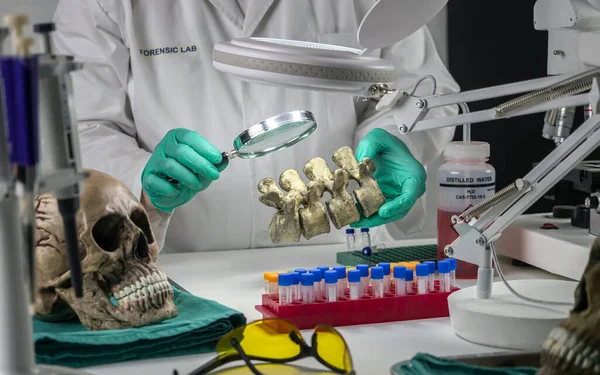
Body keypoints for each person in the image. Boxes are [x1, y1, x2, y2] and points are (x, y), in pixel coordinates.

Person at [53, 0, 459, 253]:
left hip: (338, 255)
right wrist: (138, 183)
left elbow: (423, 87)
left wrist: (397, 135)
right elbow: (80, 127)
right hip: (181, 265)